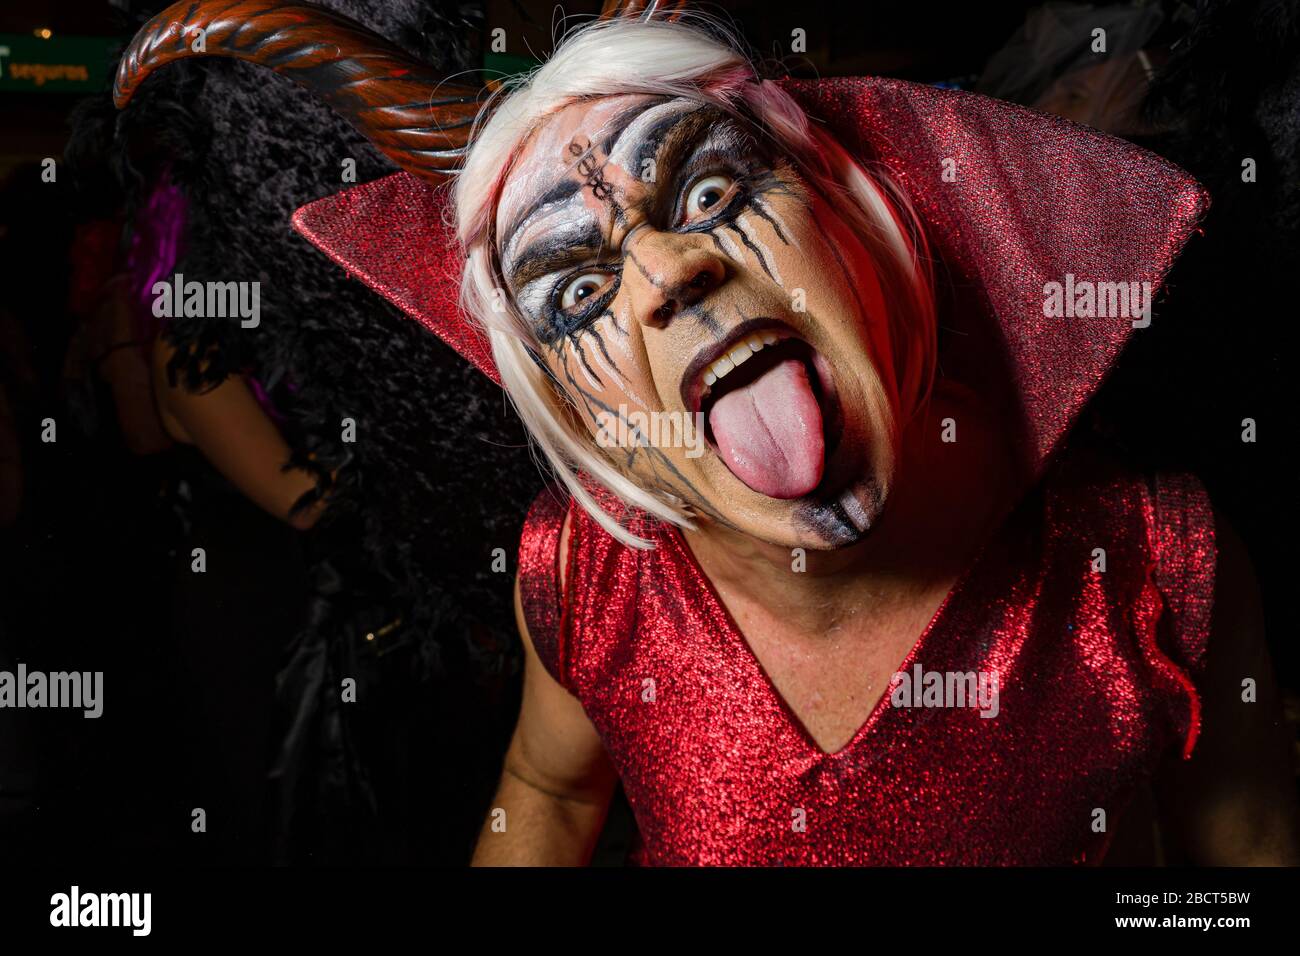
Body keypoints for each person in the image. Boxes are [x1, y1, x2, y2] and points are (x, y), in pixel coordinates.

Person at [114, 1, 1299, 865]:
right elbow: (543, 786)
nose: (673, 272)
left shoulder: (1156, 554)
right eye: (576, 290)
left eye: (711, 195)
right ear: (576, 412)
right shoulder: (583, 575)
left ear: (858, 217)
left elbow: (1237, 837)